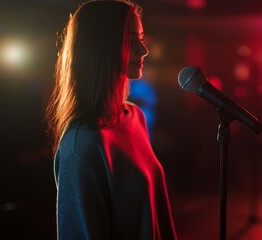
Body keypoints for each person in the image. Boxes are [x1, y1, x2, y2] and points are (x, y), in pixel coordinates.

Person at [46, 1, 177, 239]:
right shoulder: (83, 143)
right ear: (101, 46)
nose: (144, 49)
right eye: (131, 39)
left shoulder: (134, 117)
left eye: (141, 37)